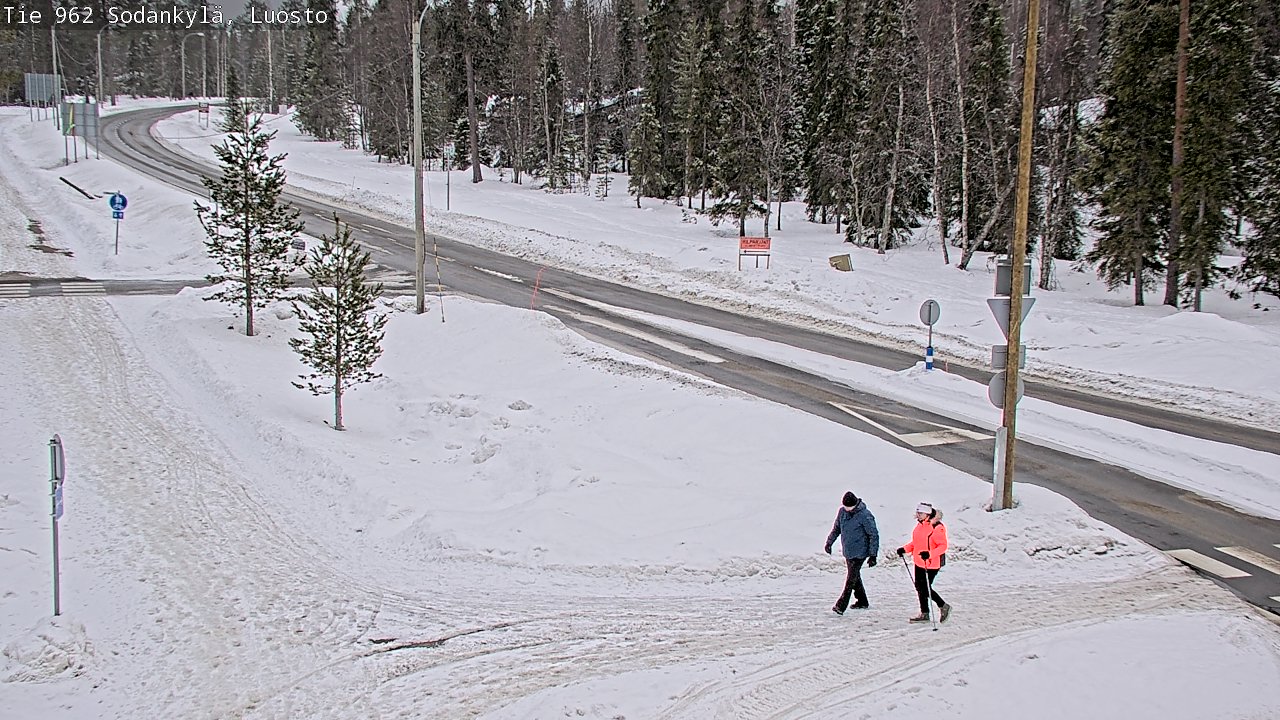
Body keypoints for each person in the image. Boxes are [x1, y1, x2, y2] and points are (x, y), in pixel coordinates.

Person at [824, 491, 880, 615]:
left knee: (850, 579)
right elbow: (836, 528)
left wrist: (873, 555)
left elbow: (873, 535)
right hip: (848, 550)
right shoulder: (842, 512)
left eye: (849, 507)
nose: (847, 509)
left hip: (860, 552)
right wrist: (829, 542)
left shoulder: (865, 515)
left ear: (855, 504)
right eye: (845, 506)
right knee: (854, 577)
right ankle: (862, 601)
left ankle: (841, 605)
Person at [896, 502, 951, 623]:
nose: (918, 515)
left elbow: (943, 546)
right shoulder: (920, 526)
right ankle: (925, 613)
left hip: (931, 563)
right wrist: (904, 549)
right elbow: (916, 543)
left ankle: (943, 605)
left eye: (920, 513)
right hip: (919, 561)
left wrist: (929, 554)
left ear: (928, 514)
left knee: (924, 588)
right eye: (918, 513)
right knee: (919, 587)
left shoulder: (937, 527)